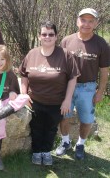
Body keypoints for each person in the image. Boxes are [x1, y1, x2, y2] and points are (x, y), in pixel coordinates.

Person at [19, 21, 79, 165]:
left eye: (51, 34)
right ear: (39, 36)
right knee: (36, 128)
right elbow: (23, 76)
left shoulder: (65, 55)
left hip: (56, 102)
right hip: (35, 101)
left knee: (51, 129)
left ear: (56, 36)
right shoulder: (32, 53)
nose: (47, 37)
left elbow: (73, 78)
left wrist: (67, 100)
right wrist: (24, 94)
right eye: (44, 34)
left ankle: (46, 152)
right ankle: (36, 152)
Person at [56, 8, 110, 160]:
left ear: (96, 23)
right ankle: (65, 142)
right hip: (67, 87)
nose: (86, 24)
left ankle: (80, 144)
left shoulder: (102, 44)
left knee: (87, 120)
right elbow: (61, 66)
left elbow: (104, 71)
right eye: (83, 20)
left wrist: (100, 91)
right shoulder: (66, 40)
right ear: (77, 21)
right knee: (63, 116)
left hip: (88, 88)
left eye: (90, 21)